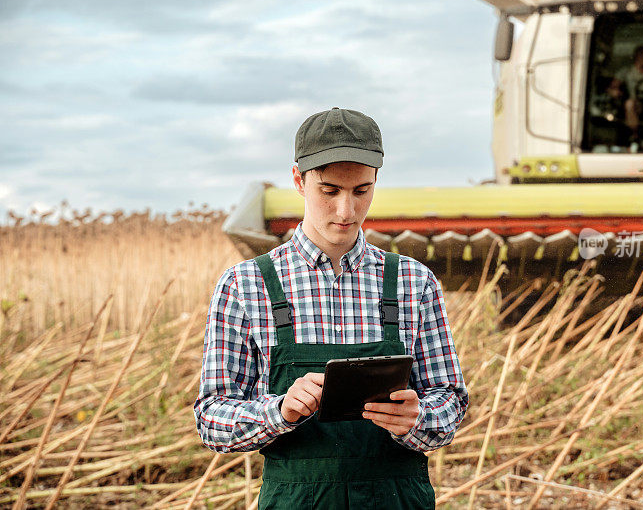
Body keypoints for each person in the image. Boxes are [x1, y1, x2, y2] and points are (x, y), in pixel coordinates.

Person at [193, 107, 469, 509]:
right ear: (298, 180)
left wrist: (418, 420)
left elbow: (450, 401)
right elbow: (212, 417)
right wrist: (280, 410)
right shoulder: (245, 285)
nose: (347, 211)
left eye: (361, 191)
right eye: (330, 191)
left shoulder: (414, 282)